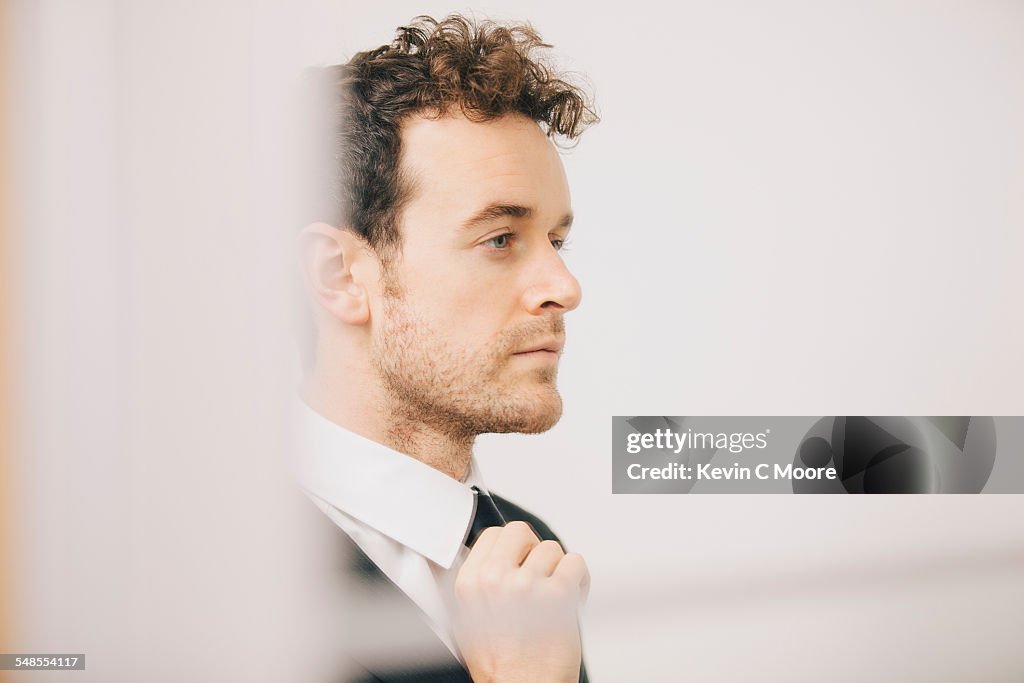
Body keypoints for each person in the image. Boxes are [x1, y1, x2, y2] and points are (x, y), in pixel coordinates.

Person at [293, 14, 597, 682]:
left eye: (558, 241)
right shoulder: (222, 584)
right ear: (340, 276)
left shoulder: (529, 548)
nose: (564, 287)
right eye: (499, 239)